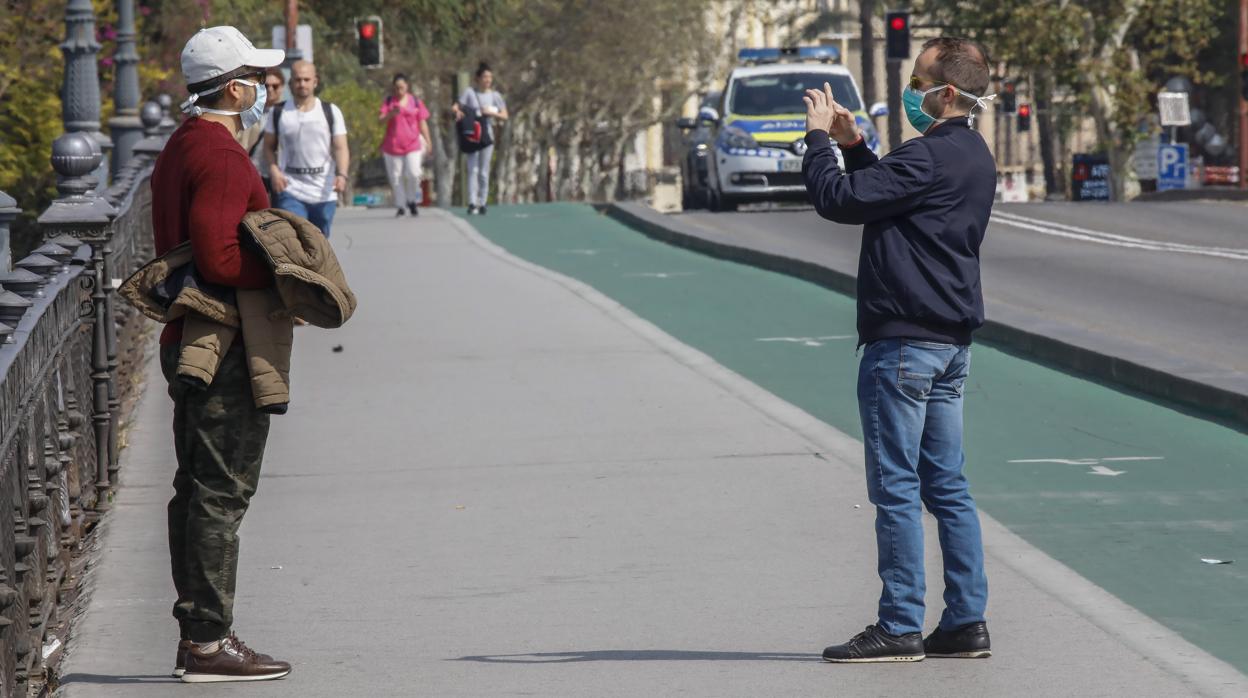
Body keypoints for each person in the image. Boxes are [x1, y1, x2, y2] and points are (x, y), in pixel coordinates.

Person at [801, 37, 997, 663]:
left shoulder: (930, 156)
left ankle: (900, 624)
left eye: (917, 81)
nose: (908, 91)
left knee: (896, 487)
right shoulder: (972, 156)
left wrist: (818, 142)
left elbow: (840, 201)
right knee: (948, 487)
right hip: (948, 345)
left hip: (905, 345)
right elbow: (890, 195)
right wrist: (856, 145)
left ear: (945, 92)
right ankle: (965, 622)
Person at [152, 26, 293, 682]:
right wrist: (283, 275)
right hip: (221, 346)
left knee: (195, 489)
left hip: (185, 336)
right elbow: (218, 256)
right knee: (220, 492)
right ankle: (210, 642)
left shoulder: (182, 144)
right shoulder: (221, 155)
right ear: (231, 88)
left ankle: (196, 635)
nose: (266, 89)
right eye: (256, 80)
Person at [263, 60, 349, 237]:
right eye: (298, 80)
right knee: (296, 238)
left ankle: (314, 266)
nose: (302, 84)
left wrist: (342, 175)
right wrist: (274, 171)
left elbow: (341, 147)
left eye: (306, 79)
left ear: (315, 81)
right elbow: (269, 147)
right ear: (291, 83)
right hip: (290, 188)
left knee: (319, 241)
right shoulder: (278, 112)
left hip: (324, 191)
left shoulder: (330, 111)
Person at [452, 62, 508, 215]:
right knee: (472, 169)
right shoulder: (470, 92)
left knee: (483, 171)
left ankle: (482, 202)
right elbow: (457, 106)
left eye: (490, 77)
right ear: (478, 78)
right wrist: (457, 112)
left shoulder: (495, 96)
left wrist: (491, 113)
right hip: (472, 134)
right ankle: (472, 202)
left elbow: (504, 115)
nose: (488, 80)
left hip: (487, 135)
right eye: (485, 77)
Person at [379, 73, 432, 217]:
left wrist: (428, 141)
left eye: (401, 87)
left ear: (407, 87)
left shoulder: (415, 101)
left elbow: (422, 122)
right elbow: (381, 120)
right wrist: (391, 114)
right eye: (396, 88)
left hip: (412, 144)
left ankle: (412, 200)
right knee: (396, 176)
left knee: (414, 173)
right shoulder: (389, 102)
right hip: (393, 146)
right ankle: (401, 205)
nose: (399, 91)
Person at [238, 67, 285, 198]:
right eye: (266, 85)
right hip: (255, 171)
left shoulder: (288, 113)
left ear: (282, 87)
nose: (270, 89)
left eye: (275, 86)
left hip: (281, 173)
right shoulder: (251, 113)